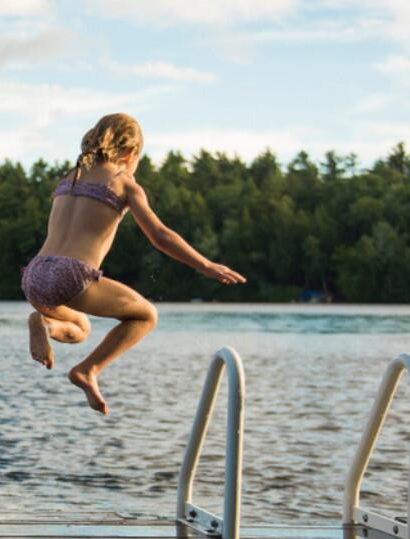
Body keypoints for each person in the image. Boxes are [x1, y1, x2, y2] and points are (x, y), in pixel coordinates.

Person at [22, 113, 245, 414]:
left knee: (81, 328)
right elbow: (160, 235)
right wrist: (204, 265)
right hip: (71, 273)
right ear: (130, 152)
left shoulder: (69, 176)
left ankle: (46, 325)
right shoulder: (123, 183)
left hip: (35, 272)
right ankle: (88, 370)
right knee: (145, 316)